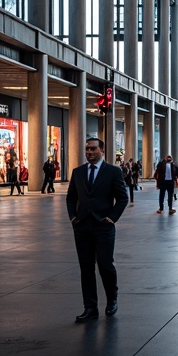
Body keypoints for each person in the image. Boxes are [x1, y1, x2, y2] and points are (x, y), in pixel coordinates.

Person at [65, 137, 129, 321]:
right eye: (87, 149)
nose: (89, 152)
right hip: (82, 227)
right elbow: (70, 198)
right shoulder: (78, 172)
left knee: (105, 265)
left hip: (103, 226)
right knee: (86, 268)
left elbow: (122, 198)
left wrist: (112, 218)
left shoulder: (113, 172)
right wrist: (73, 217)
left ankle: (111, 300)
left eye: (93, 149)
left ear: (102, 150)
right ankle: (90, 307)